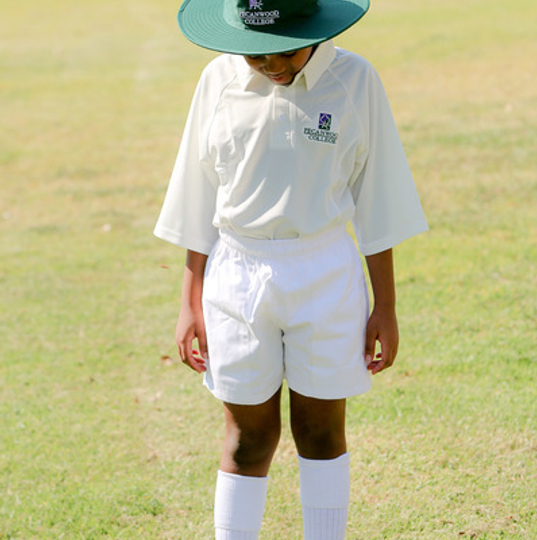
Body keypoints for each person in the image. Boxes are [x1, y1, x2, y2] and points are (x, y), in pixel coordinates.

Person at [154, 0, 428, 538]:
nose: (272, 65)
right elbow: (197, 194)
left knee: (320, 431)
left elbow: (377, 200)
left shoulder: (354, 79)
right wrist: (189, 300)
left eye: (286, 51)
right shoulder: (218, 79)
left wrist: (387, 307)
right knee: (246, 437)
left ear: (313, 27)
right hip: (236, 273)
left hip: (323, 270)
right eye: (258, 54)